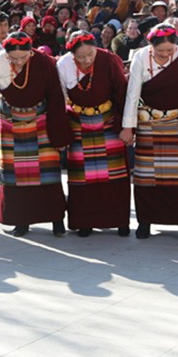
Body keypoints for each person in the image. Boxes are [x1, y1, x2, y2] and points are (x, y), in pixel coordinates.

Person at [0, 32, 72, 237]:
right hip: (11, 121)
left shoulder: (44, 63)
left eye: (24, 57)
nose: (19, 62)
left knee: (48, 171)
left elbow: (56, 97)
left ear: (31, 51)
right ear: (6, 54)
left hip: (41, 120)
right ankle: (21, 221)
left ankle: (56, 220)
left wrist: (59, 132)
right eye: (14, 58)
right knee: (15, 174)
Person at [121, 24, 178, 240]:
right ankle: (145, 221)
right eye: (160, 50)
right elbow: (133, 93)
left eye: (169, 50)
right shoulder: (141, 57)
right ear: (150, 46)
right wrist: (128, 127)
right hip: (148, 123)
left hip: (177, 122)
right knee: (145, 176)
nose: (165, 54)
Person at [57, 31, 130, 237]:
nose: (87, 60)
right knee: (82, 176)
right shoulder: (63, 65)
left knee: (115, 174)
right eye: (81, 57)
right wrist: (62, 132)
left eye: (90, 54)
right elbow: (59, 99)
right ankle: (85, 221)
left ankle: (118, 220)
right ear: (72, 54)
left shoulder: (108, 60)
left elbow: (122, 92)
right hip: (78, 122)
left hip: (108, 120)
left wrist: (126, 126)